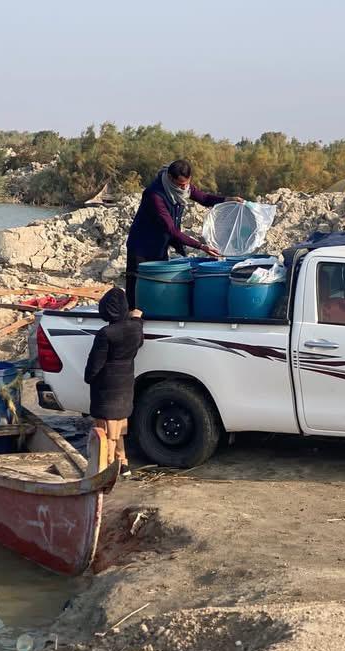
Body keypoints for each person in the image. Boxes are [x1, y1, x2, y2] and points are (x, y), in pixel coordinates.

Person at [124, 159, 243, 306]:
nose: (185, 187)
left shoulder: (183, 189)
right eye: (180, 184)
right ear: (170, 178)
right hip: (141, 246)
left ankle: (155, 313)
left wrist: (228, 200)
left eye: (187, 183)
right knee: (137, 285)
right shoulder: (155, 195)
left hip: (161, 244)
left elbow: (204, 198)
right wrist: (201, 246)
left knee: (159, 282)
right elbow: (172, 229)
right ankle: (131, 319)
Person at [84, 287, 144, 478]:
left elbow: (96, 363)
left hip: (106, 388)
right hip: (126, 384)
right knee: (118, 427)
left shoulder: (106, 333)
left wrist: (88, 378)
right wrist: (136, 317)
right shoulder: (135, 328)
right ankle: (123, 464)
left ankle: (106, 467)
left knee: (107, 432)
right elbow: (137, 331)